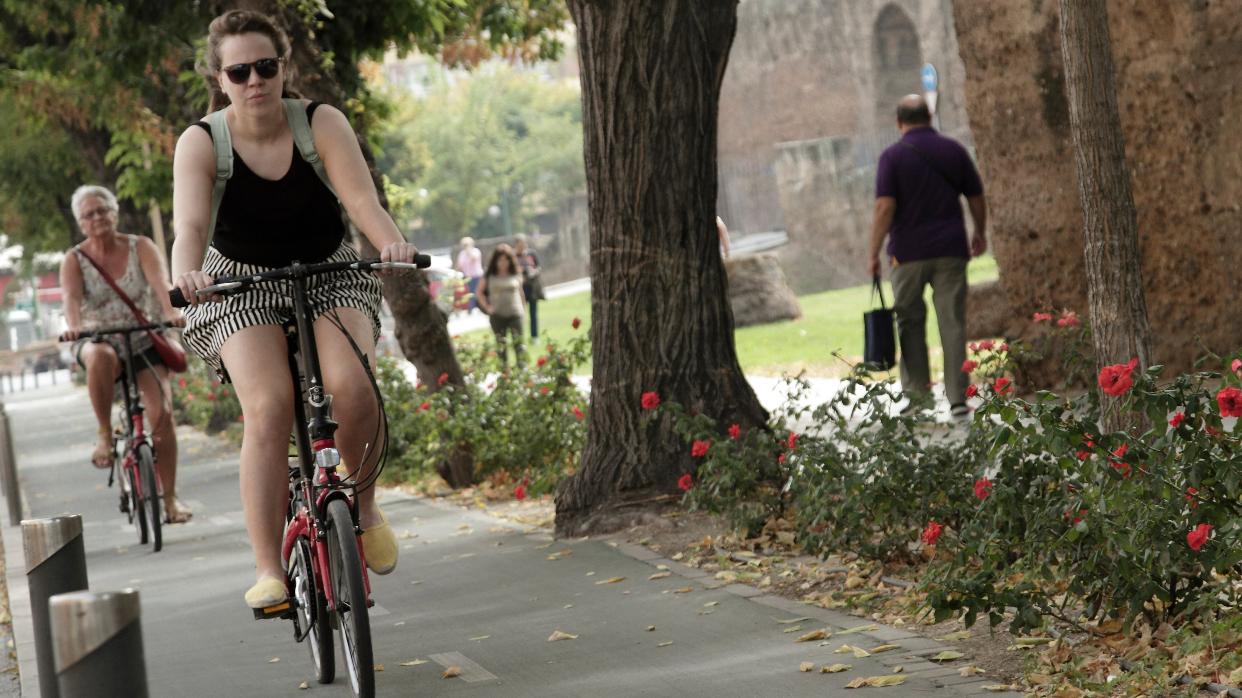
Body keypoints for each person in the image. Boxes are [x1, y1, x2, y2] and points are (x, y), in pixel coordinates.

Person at [170, 9, 420, 608]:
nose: (254, 80)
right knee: (270, 405)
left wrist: (389, 243)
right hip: (238, 285)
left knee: (353, 387)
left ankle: (362, 505)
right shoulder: (202, 141)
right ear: (220, 77)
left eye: (266, 66)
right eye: (239, 71)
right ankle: (269, 570)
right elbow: (191, 224)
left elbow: (361, 198)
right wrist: (187, 271)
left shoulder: (319, 121)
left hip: (327, 270)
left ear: (284, 67)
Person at [59, 185, 192, 523]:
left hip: (143, 336)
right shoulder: (74, 260)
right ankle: (105, 433)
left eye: (103, 210)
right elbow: (72, 302)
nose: (97, 218)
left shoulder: (140, 246)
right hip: (97, 337)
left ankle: (171, 499)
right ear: (80, 223)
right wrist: (74, 327)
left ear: (114, 213)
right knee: (99, 356)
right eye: (89, 214)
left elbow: (161, 284)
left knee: (162, 416)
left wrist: (170, 312)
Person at [865, 95, 987, 418]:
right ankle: (959, 397)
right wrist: (980, 231)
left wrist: (873, 251)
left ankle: (918, 399)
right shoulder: (953, 151)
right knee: (952, 321)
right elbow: (975, 195)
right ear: (930, 117)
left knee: (909, 322)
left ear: (898, 122)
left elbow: (884, 207)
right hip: (950, 249)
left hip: (907, 254)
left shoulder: (891, 157)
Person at [476, 245, 526, 367]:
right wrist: (487, 307)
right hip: (497, 315)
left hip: (515, 313)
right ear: (496, 261)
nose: (503, 263)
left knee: (519, 345)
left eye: (506, 260)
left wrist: (523, 310)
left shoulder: (515, 273)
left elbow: (521, 292)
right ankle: (505, 372)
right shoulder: (490, 275)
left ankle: (522, 370)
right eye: (500, 260)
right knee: (501, 346)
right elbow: (479, 293)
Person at [513, 233, 544, 338]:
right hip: (520, 288)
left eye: (524, 244)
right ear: (516, 245)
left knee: (533, 313)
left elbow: (539, 267)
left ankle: (535, 337)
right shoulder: (512, 257)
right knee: (520, 314)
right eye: (520, 244)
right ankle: (520, 336)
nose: (523, 247)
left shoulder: (531, 254)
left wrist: (534, 271)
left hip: (532, 287)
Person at [456, 236, 484, 312]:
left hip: (476, 276)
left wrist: (468, 251)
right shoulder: (462, 254)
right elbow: (459, 265)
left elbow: (474, 258)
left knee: (476, 292)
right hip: (467, 276)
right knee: (469, 294)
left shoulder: (476, 251)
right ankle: (471, 309)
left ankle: (479, 307)